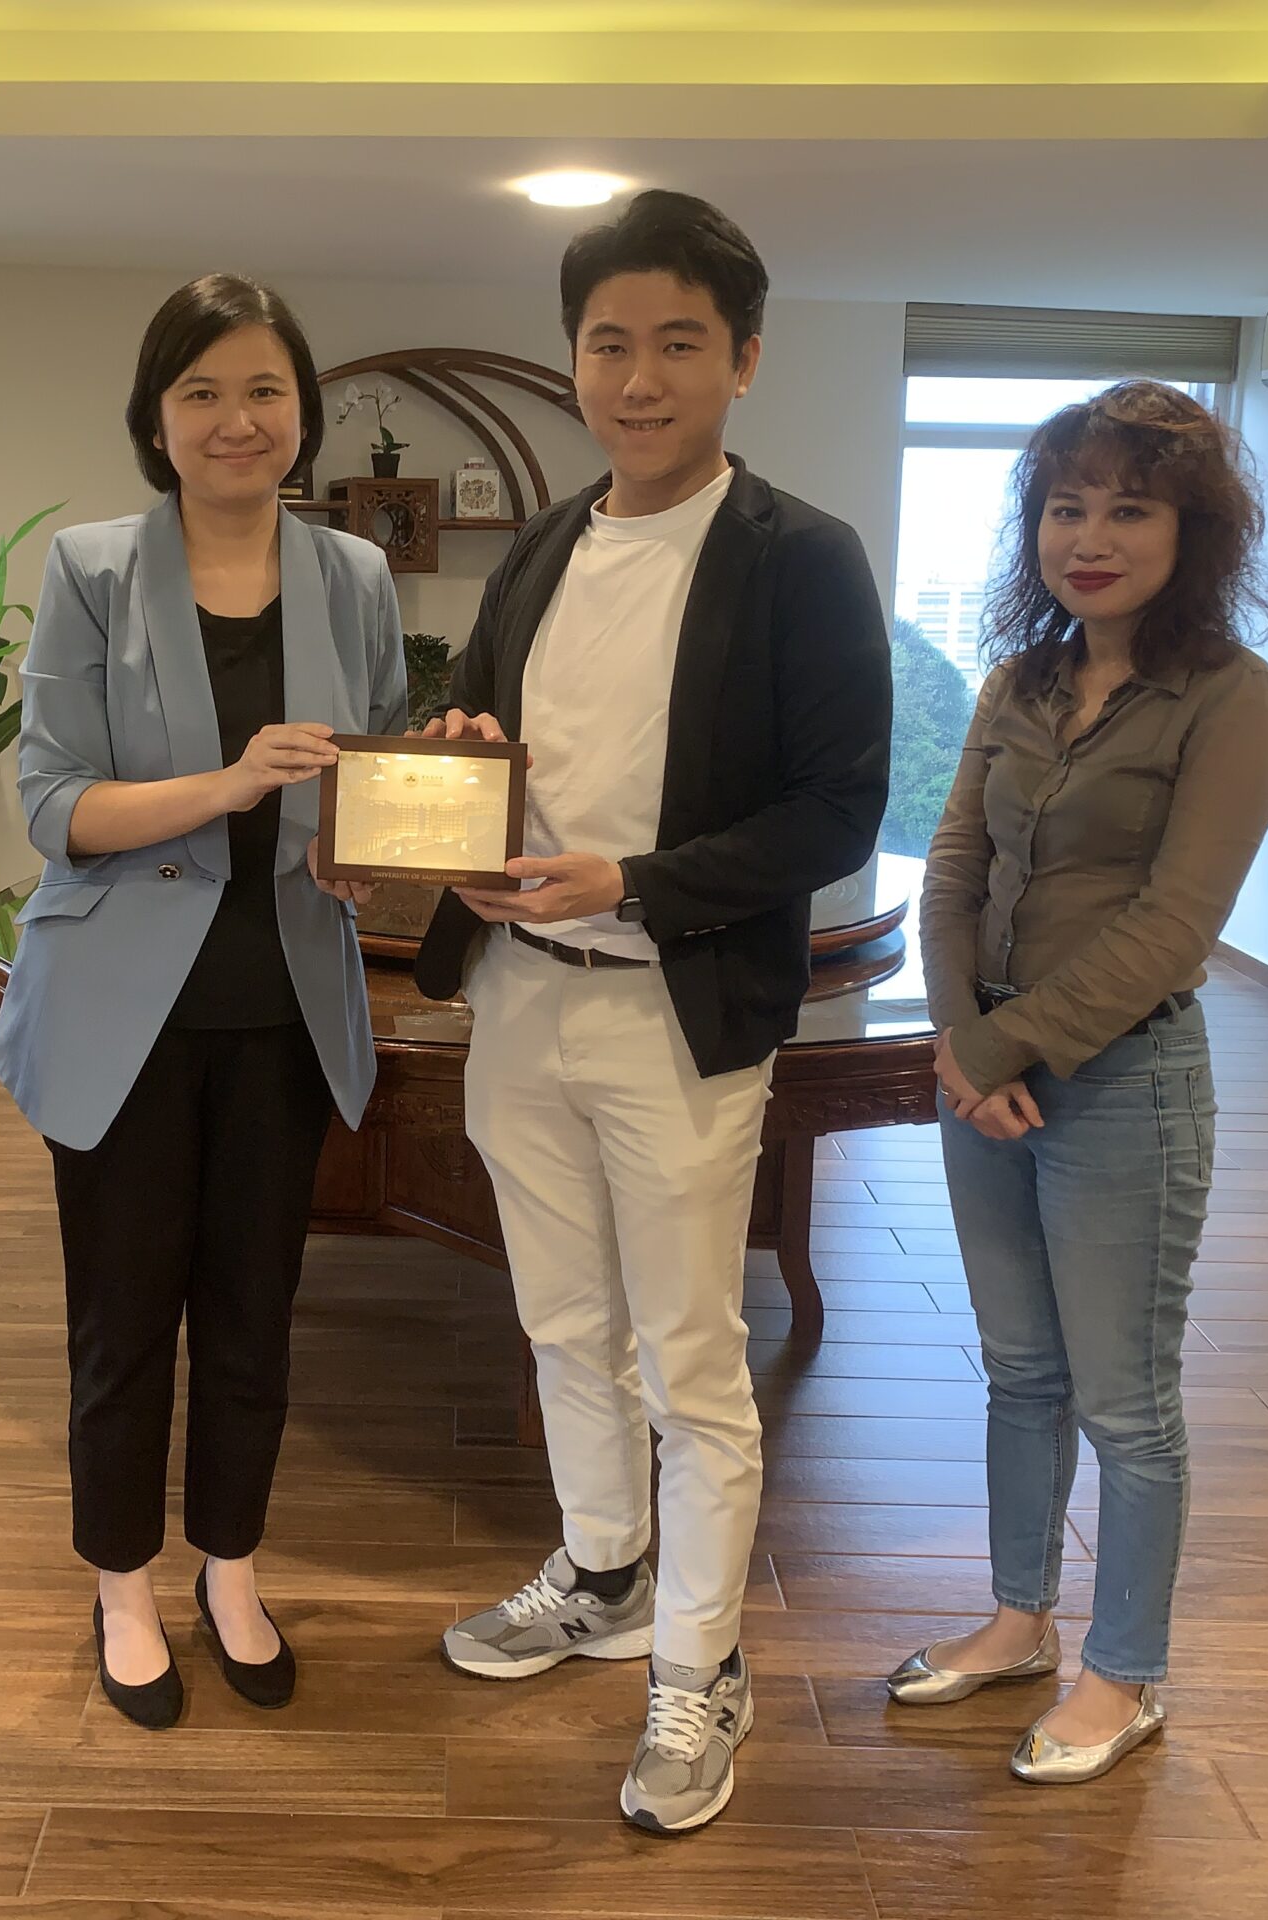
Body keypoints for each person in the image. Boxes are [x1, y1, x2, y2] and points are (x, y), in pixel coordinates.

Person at [415, 191, 892, 1834]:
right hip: (517, 996)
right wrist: (453, 776)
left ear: (743, 361)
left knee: (693, 1358)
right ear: (573, 360)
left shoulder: (801, 557)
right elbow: (473, 718)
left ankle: (704, 1662)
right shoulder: (548, 541)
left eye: (678, 343)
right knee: (562, 1324)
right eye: (608, 343)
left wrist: (632, 879)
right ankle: (606, 1571)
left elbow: (839, 807)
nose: (638, 377)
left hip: (672, 1006)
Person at [0, 274, 406, 1731]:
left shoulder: (354, 575)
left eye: (265, 390)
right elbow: (53, 806)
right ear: (157, 417)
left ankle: (232, 1569)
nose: (238, 420)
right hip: (122, 1014)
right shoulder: (93, 566)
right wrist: (230, 784)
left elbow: (371, 779)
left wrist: (369, 846)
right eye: (203, 393)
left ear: (304, 410)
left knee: (253, 1316)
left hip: (284, 1006)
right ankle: (122, 1583)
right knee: (121, 1321)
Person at [894, 379, 1268, 1783]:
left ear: (1196, 533)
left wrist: (997, 1050)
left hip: (1127, 1086)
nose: (1092, 537)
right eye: (1068, 507)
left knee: (1125, 1404)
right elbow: (955, 868)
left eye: (1131, 509)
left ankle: (1125, 1674)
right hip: (986, 1076)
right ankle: (1019, 1622)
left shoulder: (1236, 702)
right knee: (1019, 1371)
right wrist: (960, 1036)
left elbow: (1176, 927)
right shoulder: (1021, 682)